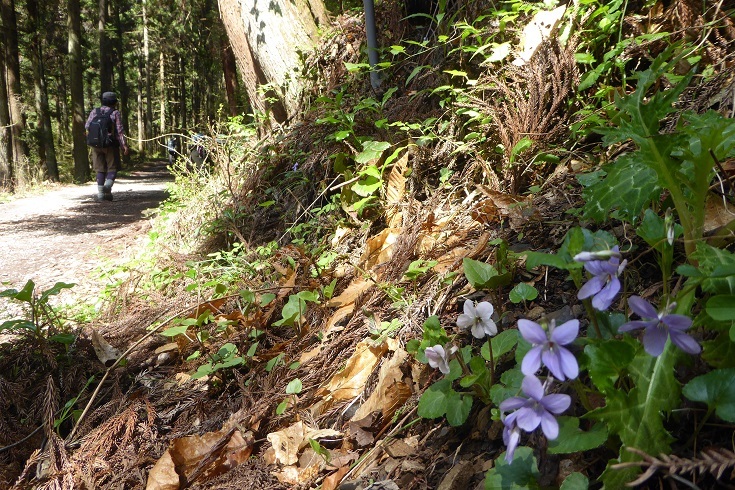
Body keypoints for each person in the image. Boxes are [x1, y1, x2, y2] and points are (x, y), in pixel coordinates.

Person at [85, 91, 129, 201]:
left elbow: (87, 126)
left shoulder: (95, 111)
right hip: (110, 145)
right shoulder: (115, 113)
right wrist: (124, 145)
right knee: (112, 168)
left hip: (95, 144)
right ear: (114, 102)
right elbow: (119, 131)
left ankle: (102, 195)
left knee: (100, 169)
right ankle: (107, 187)